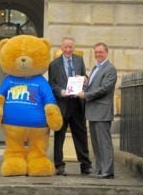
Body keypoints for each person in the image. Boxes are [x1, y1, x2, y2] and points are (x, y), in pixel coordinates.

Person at [48, 37, 92, 175]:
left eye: (70, 47)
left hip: (77, 103)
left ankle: (85, 165)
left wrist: (86, 79)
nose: (68, 50)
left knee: (81, 135)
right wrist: (61, 92)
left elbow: (84, 76)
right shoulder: (54, 64)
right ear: (62, 48)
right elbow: (52, 84)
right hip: (62, 104)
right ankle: (59, 166)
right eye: (65, 47)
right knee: (59, 136)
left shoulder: (79, 60)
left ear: (73, 47)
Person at [77, 42, 117, 179]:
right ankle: (99, 169)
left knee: (104, 143)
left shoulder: (110, 69)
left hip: (102, 111)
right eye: (96, 52)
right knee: (96, 143)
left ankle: (108, 171)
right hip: (93, 111)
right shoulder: (95, 68)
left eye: (100, 52)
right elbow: (94, 87)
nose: (98, 54)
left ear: (106, 53)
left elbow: (105, 89)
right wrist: (84, 86)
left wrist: (86, 95)